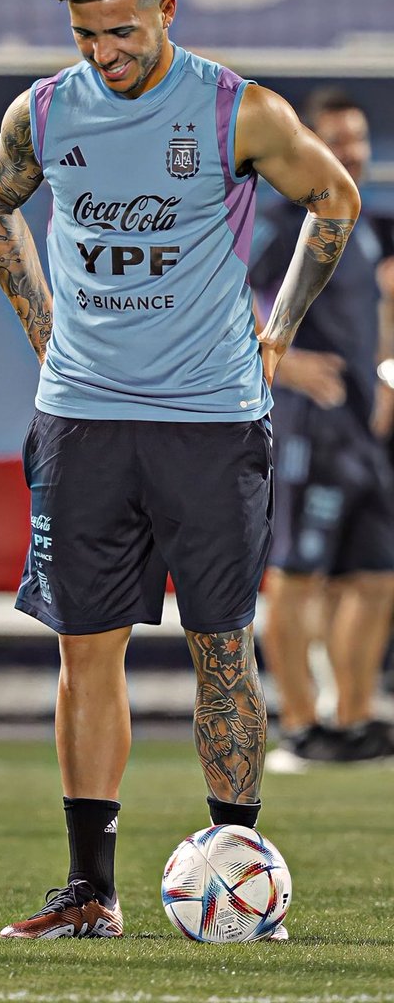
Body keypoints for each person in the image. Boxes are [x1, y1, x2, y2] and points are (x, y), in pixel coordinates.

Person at [0, 0, 360, 940]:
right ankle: (88, 892)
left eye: (123, 32)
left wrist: (279, 330)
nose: (105, 53)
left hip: (210, 424)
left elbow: (334, 199)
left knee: (222, 651)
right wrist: (44, 328)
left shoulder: (237, 110)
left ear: (165, 12)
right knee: (84, 653)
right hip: (83, 422)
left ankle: (243, 870)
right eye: (86, 34)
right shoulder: (46, 111)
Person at [251, 89, 394, 765]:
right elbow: (226, 290)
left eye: (358, 139)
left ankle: (354, 720)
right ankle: (301, 726)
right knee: (297, 573)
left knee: (375, 574)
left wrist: (386, 379)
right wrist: (284, 360)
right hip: (308, 427)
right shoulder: (285, 219)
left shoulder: (360, 224)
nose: (351, 152)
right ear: (310, 145)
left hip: (362, 431)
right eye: (337, 141)